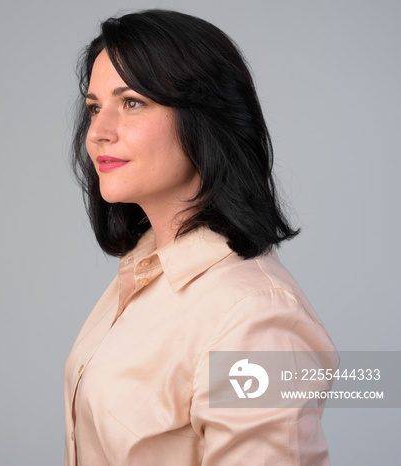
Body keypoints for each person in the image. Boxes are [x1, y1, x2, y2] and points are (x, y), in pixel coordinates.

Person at [64, 9, 337, 466]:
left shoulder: (253, 317)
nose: (97, 133)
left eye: (131, 102)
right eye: (95, 107)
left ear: (204, 118)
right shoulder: (144, 272)